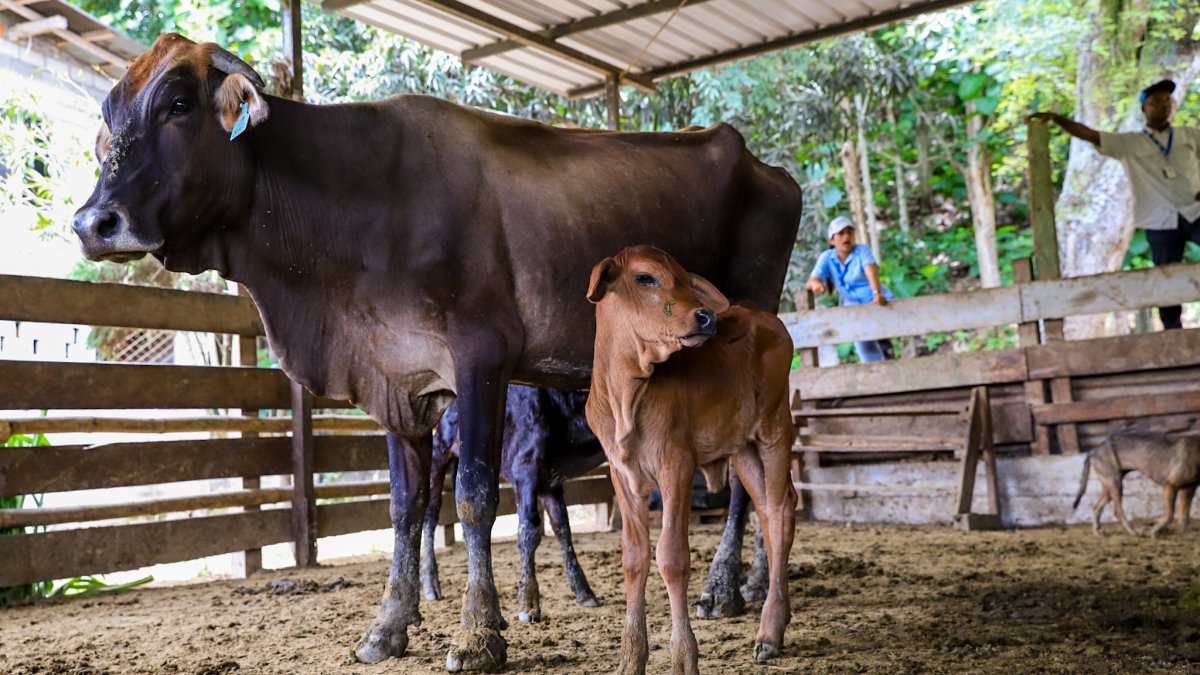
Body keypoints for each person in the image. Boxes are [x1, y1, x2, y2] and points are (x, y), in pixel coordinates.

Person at [1029, 79, 1200, 329]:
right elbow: (1089, 134)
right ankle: (1172, 331)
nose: (1162, 107)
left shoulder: (1189, 135)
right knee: (1165, 277)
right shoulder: (1129, 143)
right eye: (1155, 102)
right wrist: (1057, 118)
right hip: (1160, 220)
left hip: (1195, 211)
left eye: (1166, 101)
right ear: (1144, 109)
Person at [805, 215, 895, 362]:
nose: (846, 236)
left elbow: (870, 269)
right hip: (853, 307)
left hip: (876, 300)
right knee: (865, 348)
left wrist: (877, 293)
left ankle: (891, 367)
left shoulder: (861, 250)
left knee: (884, 342)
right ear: (832, 240)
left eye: (849, 232)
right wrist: (816, 284)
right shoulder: (827, 258)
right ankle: (875, 377)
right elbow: (811, 280)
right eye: (841, 234)